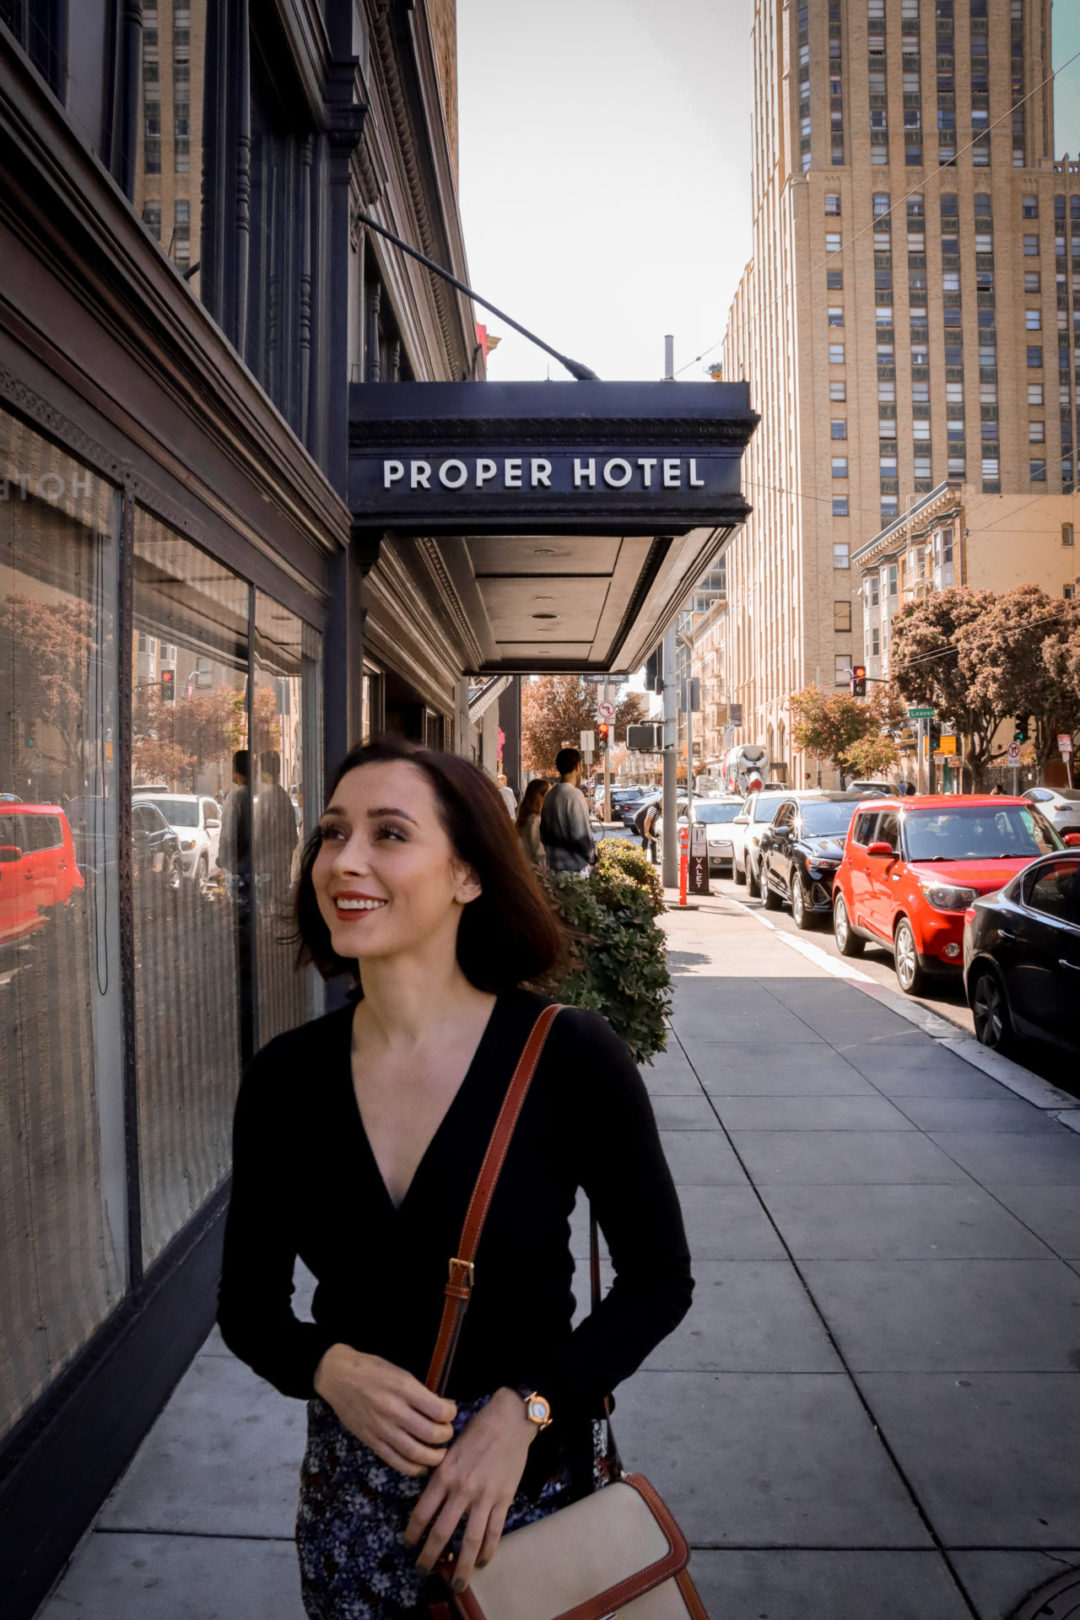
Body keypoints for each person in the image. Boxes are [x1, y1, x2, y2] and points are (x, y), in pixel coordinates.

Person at [217, 736, 692, 1618]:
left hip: (531, 1510)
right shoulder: (287, 1078)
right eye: (332, 833)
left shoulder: (568, 1057)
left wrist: (529, 1411)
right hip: (350, 1517)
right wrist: (326, 1367)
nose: (344, 861)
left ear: (468, 876)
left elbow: (660, 1282)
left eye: (389, 834)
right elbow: (246, 1306)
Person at [539, 747, 597, 874]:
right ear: (577, 767)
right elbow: (581, 835)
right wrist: (593, 858)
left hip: (553, 867)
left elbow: (543, 832)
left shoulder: (550, 794)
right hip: (573, 871)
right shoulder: (575, 795)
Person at [515, 777, 548, 870]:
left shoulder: (523, 813)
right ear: (539, 797)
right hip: (533, 870)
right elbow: (538, 850)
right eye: (547, 794)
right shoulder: (534, 820)